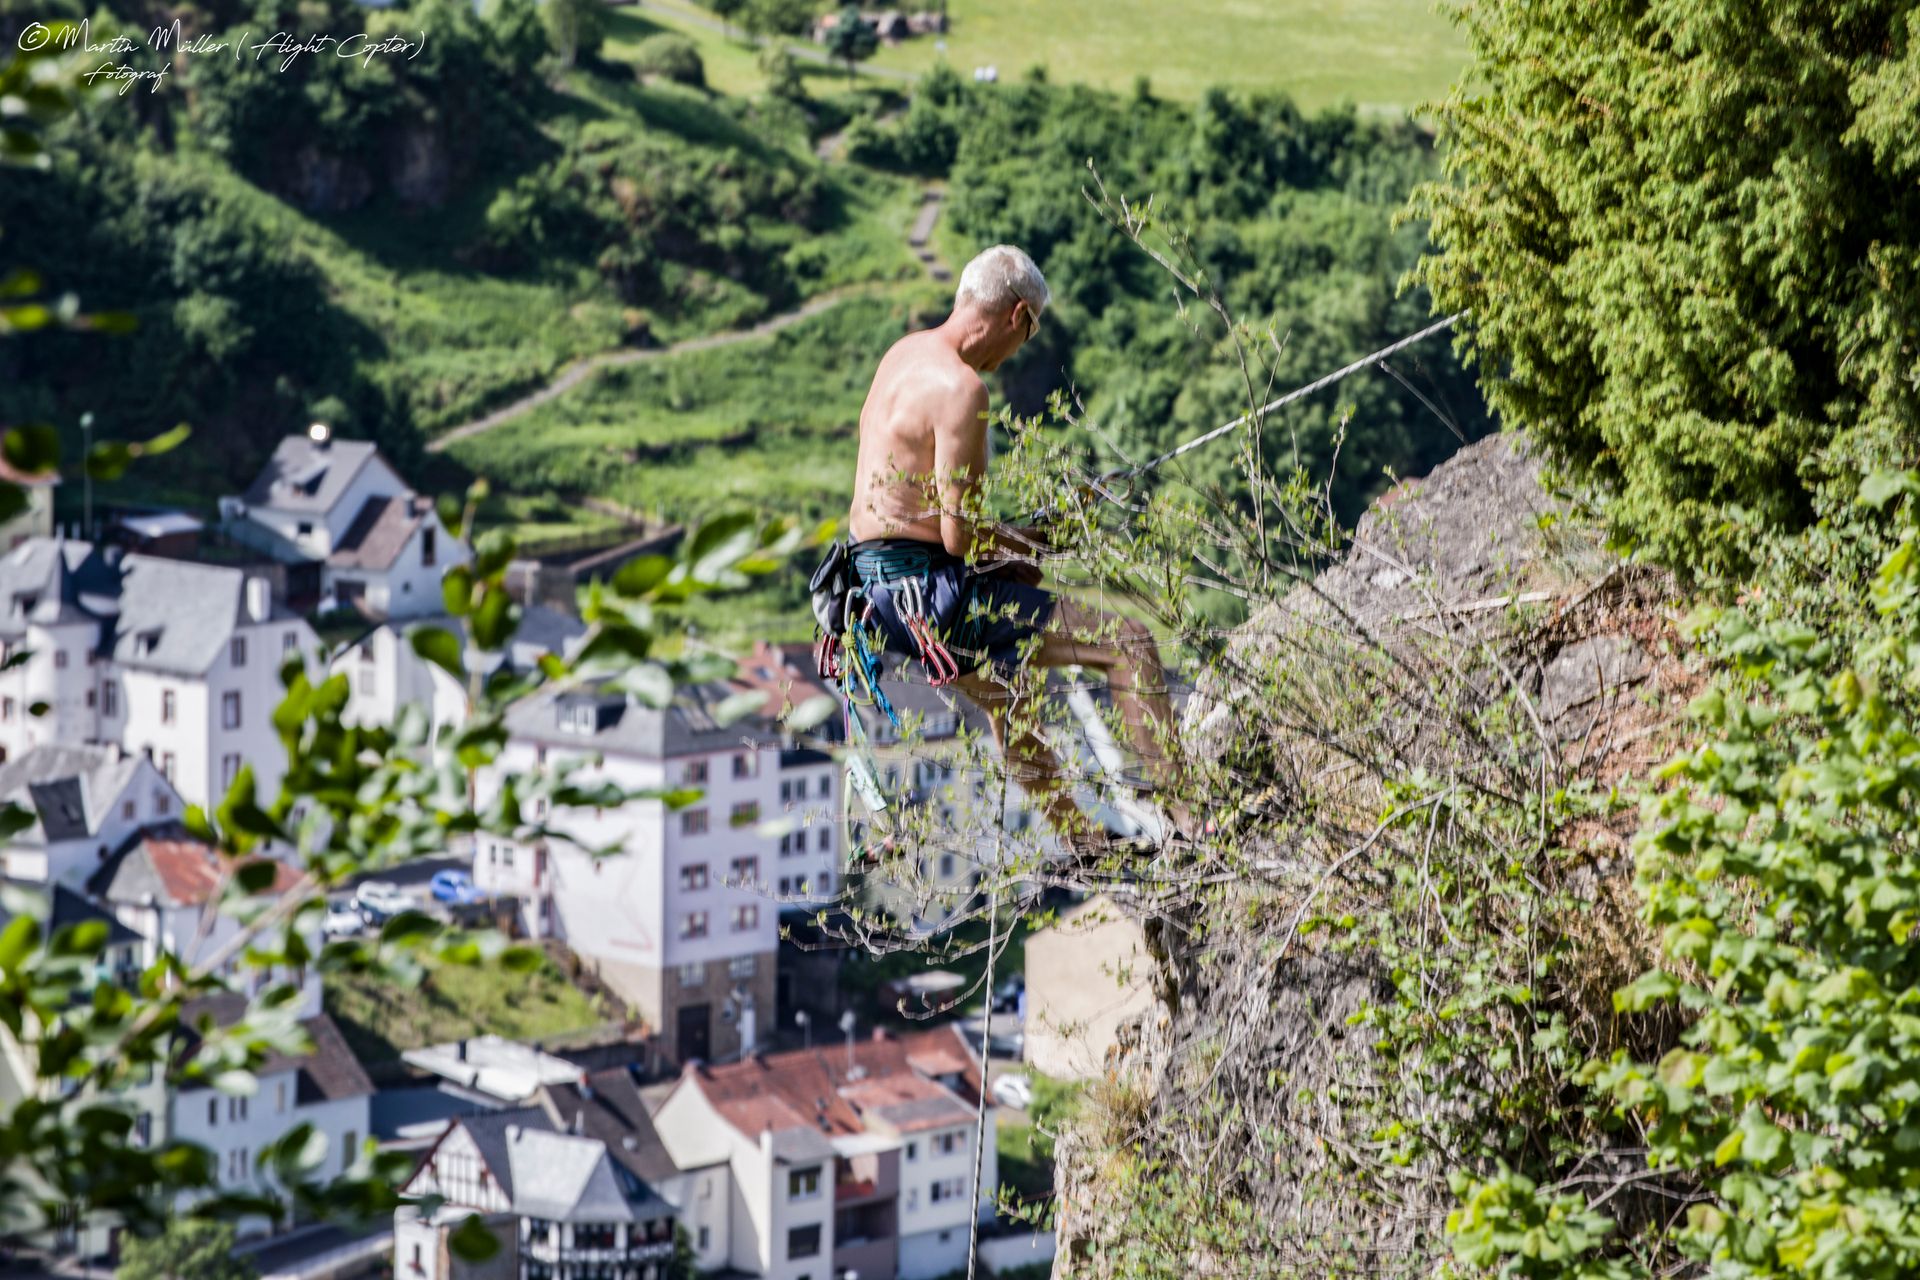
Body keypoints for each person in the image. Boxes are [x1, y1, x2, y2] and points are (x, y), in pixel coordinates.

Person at [845, 244, 1185, 847]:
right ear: (1018, 315)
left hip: (877, 591)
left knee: (1011, 693)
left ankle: (1086, 846)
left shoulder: (904, 355)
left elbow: (933, 523)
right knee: (1126, 642)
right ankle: (1189, 815)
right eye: (1027, 334)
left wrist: (1035, 537)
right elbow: (961, 536)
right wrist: (1036, 543)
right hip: (928, 592)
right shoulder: (961, 390)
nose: (1018, 351)